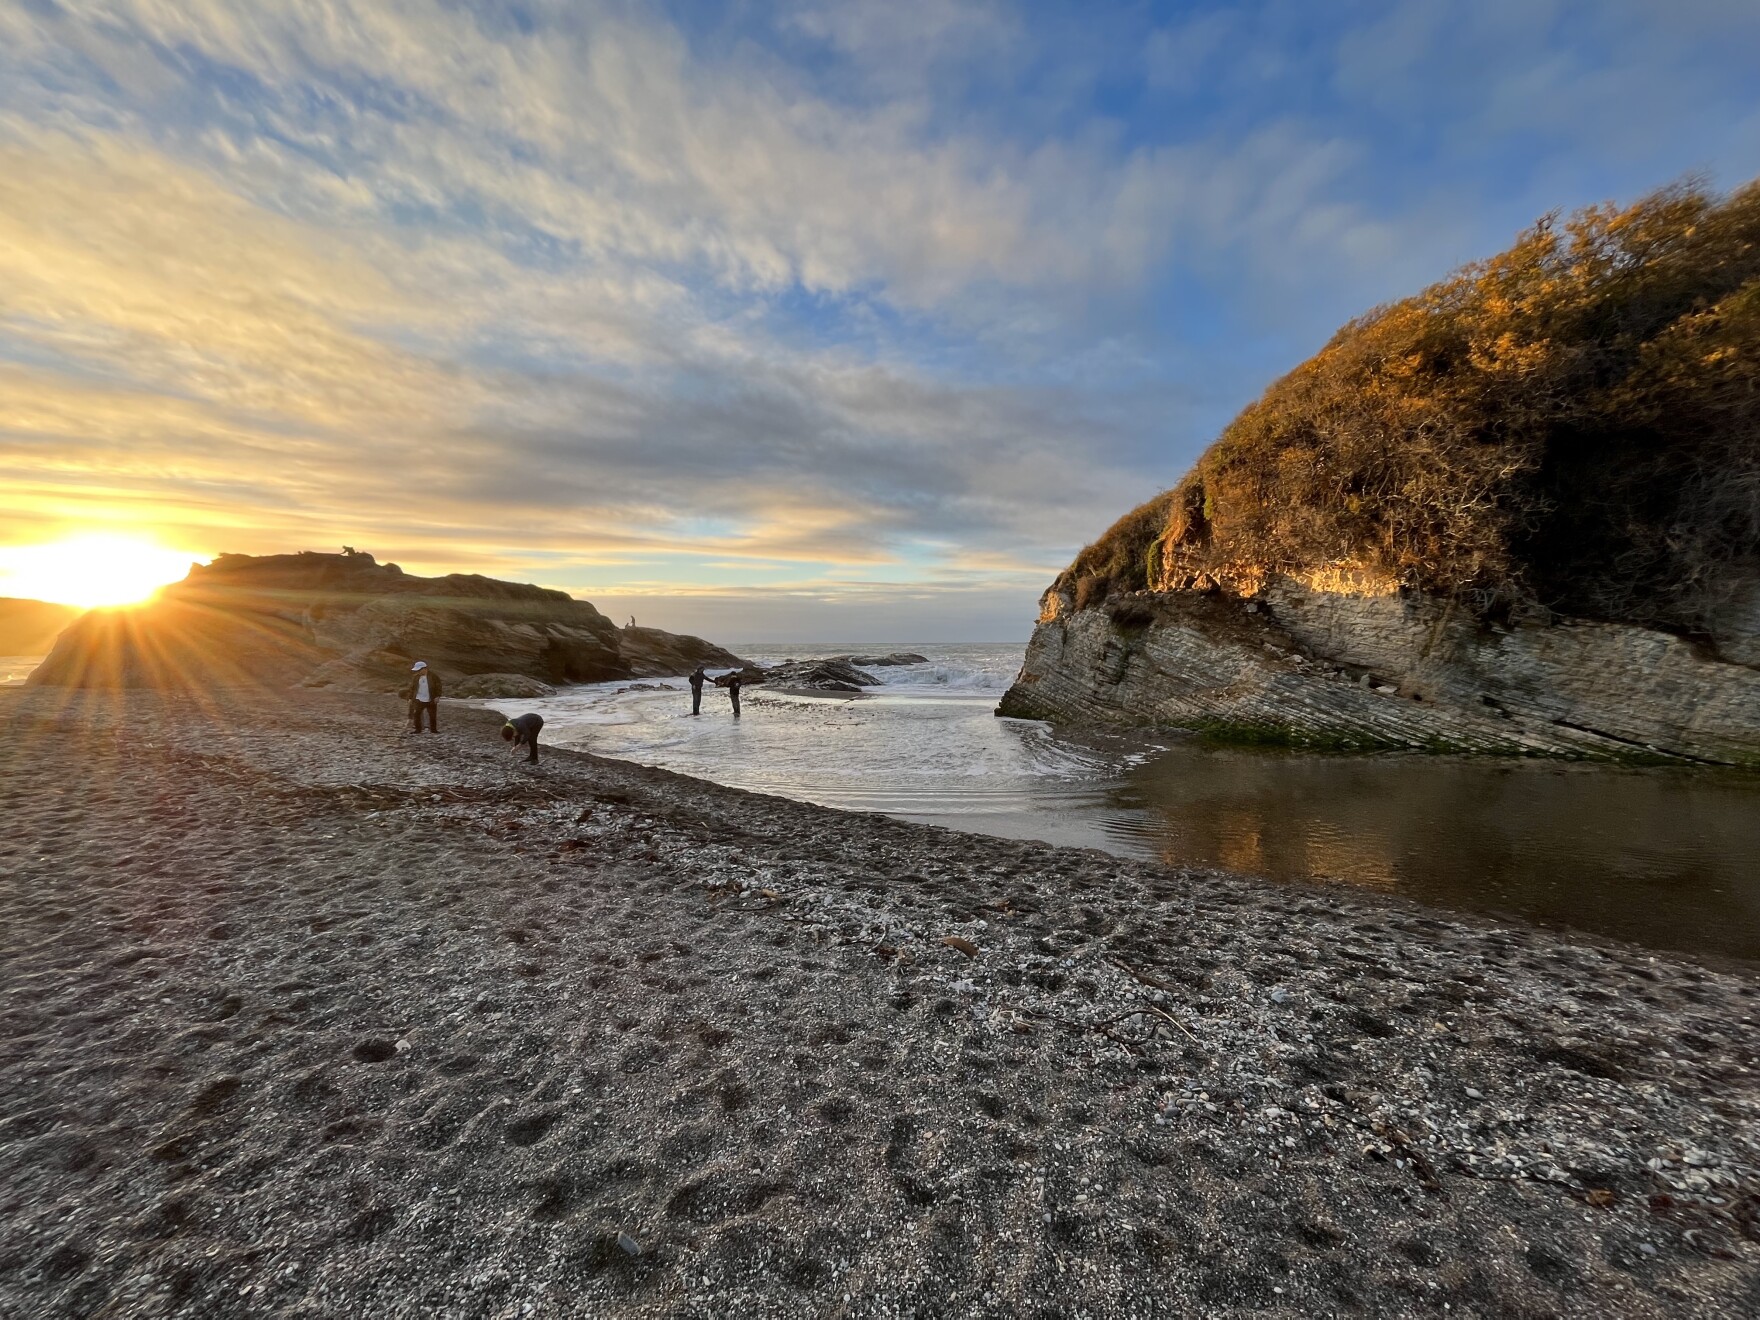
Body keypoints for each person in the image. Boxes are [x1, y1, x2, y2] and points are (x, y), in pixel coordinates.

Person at [404, 660, 441, 733]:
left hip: (431, 699)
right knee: (416, 714)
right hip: (419, 699)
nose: (418, 672)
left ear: (424, 669)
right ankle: (418, 730)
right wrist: (410, 698)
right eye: (417, 670)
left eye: (419, 670)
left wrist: (438, 696)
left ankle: (433, 730)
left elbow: (439, 686)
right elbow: (412, 688)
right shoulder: (415, 677)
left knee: (432, 715)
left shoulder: (434, 676)